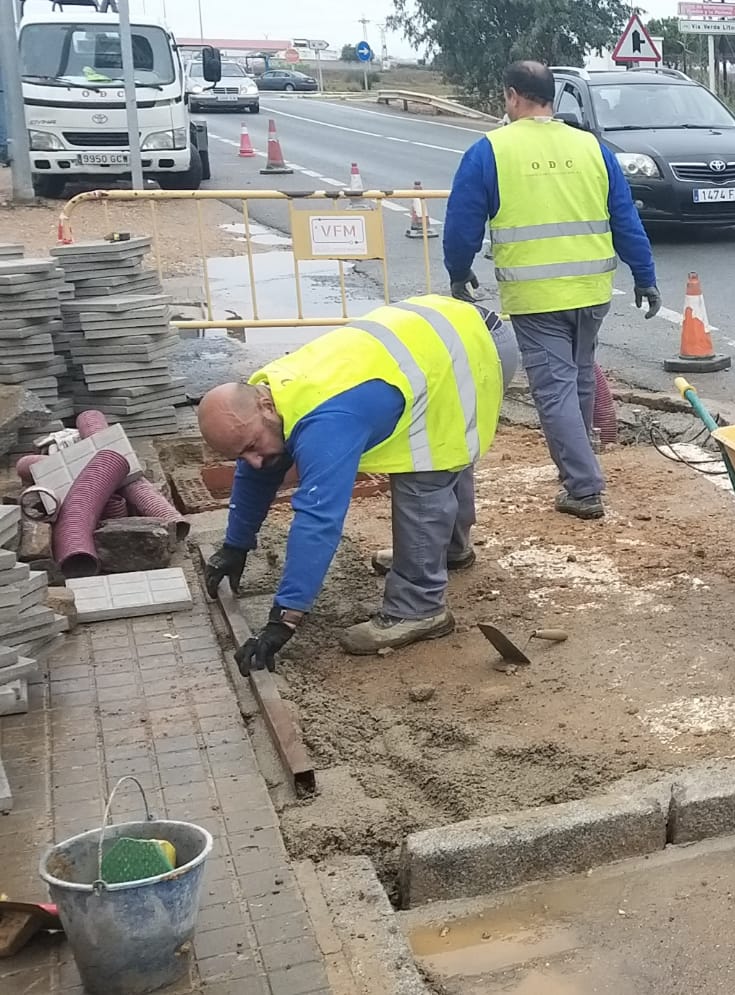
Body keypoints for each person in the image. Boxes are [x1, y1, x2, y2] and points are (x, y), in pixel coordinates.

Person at [196, 295, 518, 671]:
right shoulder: (269, 395)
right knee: (440, 452)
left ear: (264, 407)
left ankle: (419, 608)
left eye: (251, 447)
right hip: (448, 332)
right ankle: (446, 552)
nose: (252, 460)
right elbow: (258, 466)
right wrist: (235, 545)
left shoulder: (326, 423)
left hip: (475, 349)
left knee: (426, 467)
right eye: (240, 455)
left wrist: (283, 619)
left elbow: (318, 520)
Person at [442, 59, 661, 522]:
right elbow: (625, 217)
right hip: (592, 291)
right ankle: (577, 470)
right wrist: (645, 276)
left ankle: (583, 487)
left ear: (512, 96)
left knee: (556, 390)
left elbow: (462, 223)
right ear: (553, 99)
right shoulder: (591, 148)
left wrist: (458, 271)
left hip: (537, 297)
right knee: (578, 379)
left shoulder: (491, 150)